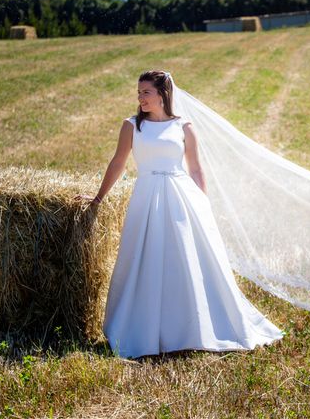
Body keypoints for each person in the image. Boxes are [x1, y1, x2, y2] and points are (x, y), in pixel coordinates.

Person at [76, 70, 283, 358]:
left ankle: (191, 329)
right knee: (144, 258)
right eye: (139, 92)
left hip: (181, 196)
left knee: (184, 260)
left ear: (163, 94)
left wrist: (203, 204)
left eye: (146, 92)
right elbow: (118, 163)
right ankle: (141, 329)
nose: (140, 97)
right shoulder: (131, 126)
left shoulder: (183, 126)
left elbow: (196, 168)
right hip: (146, 197)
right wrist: (99, 197)